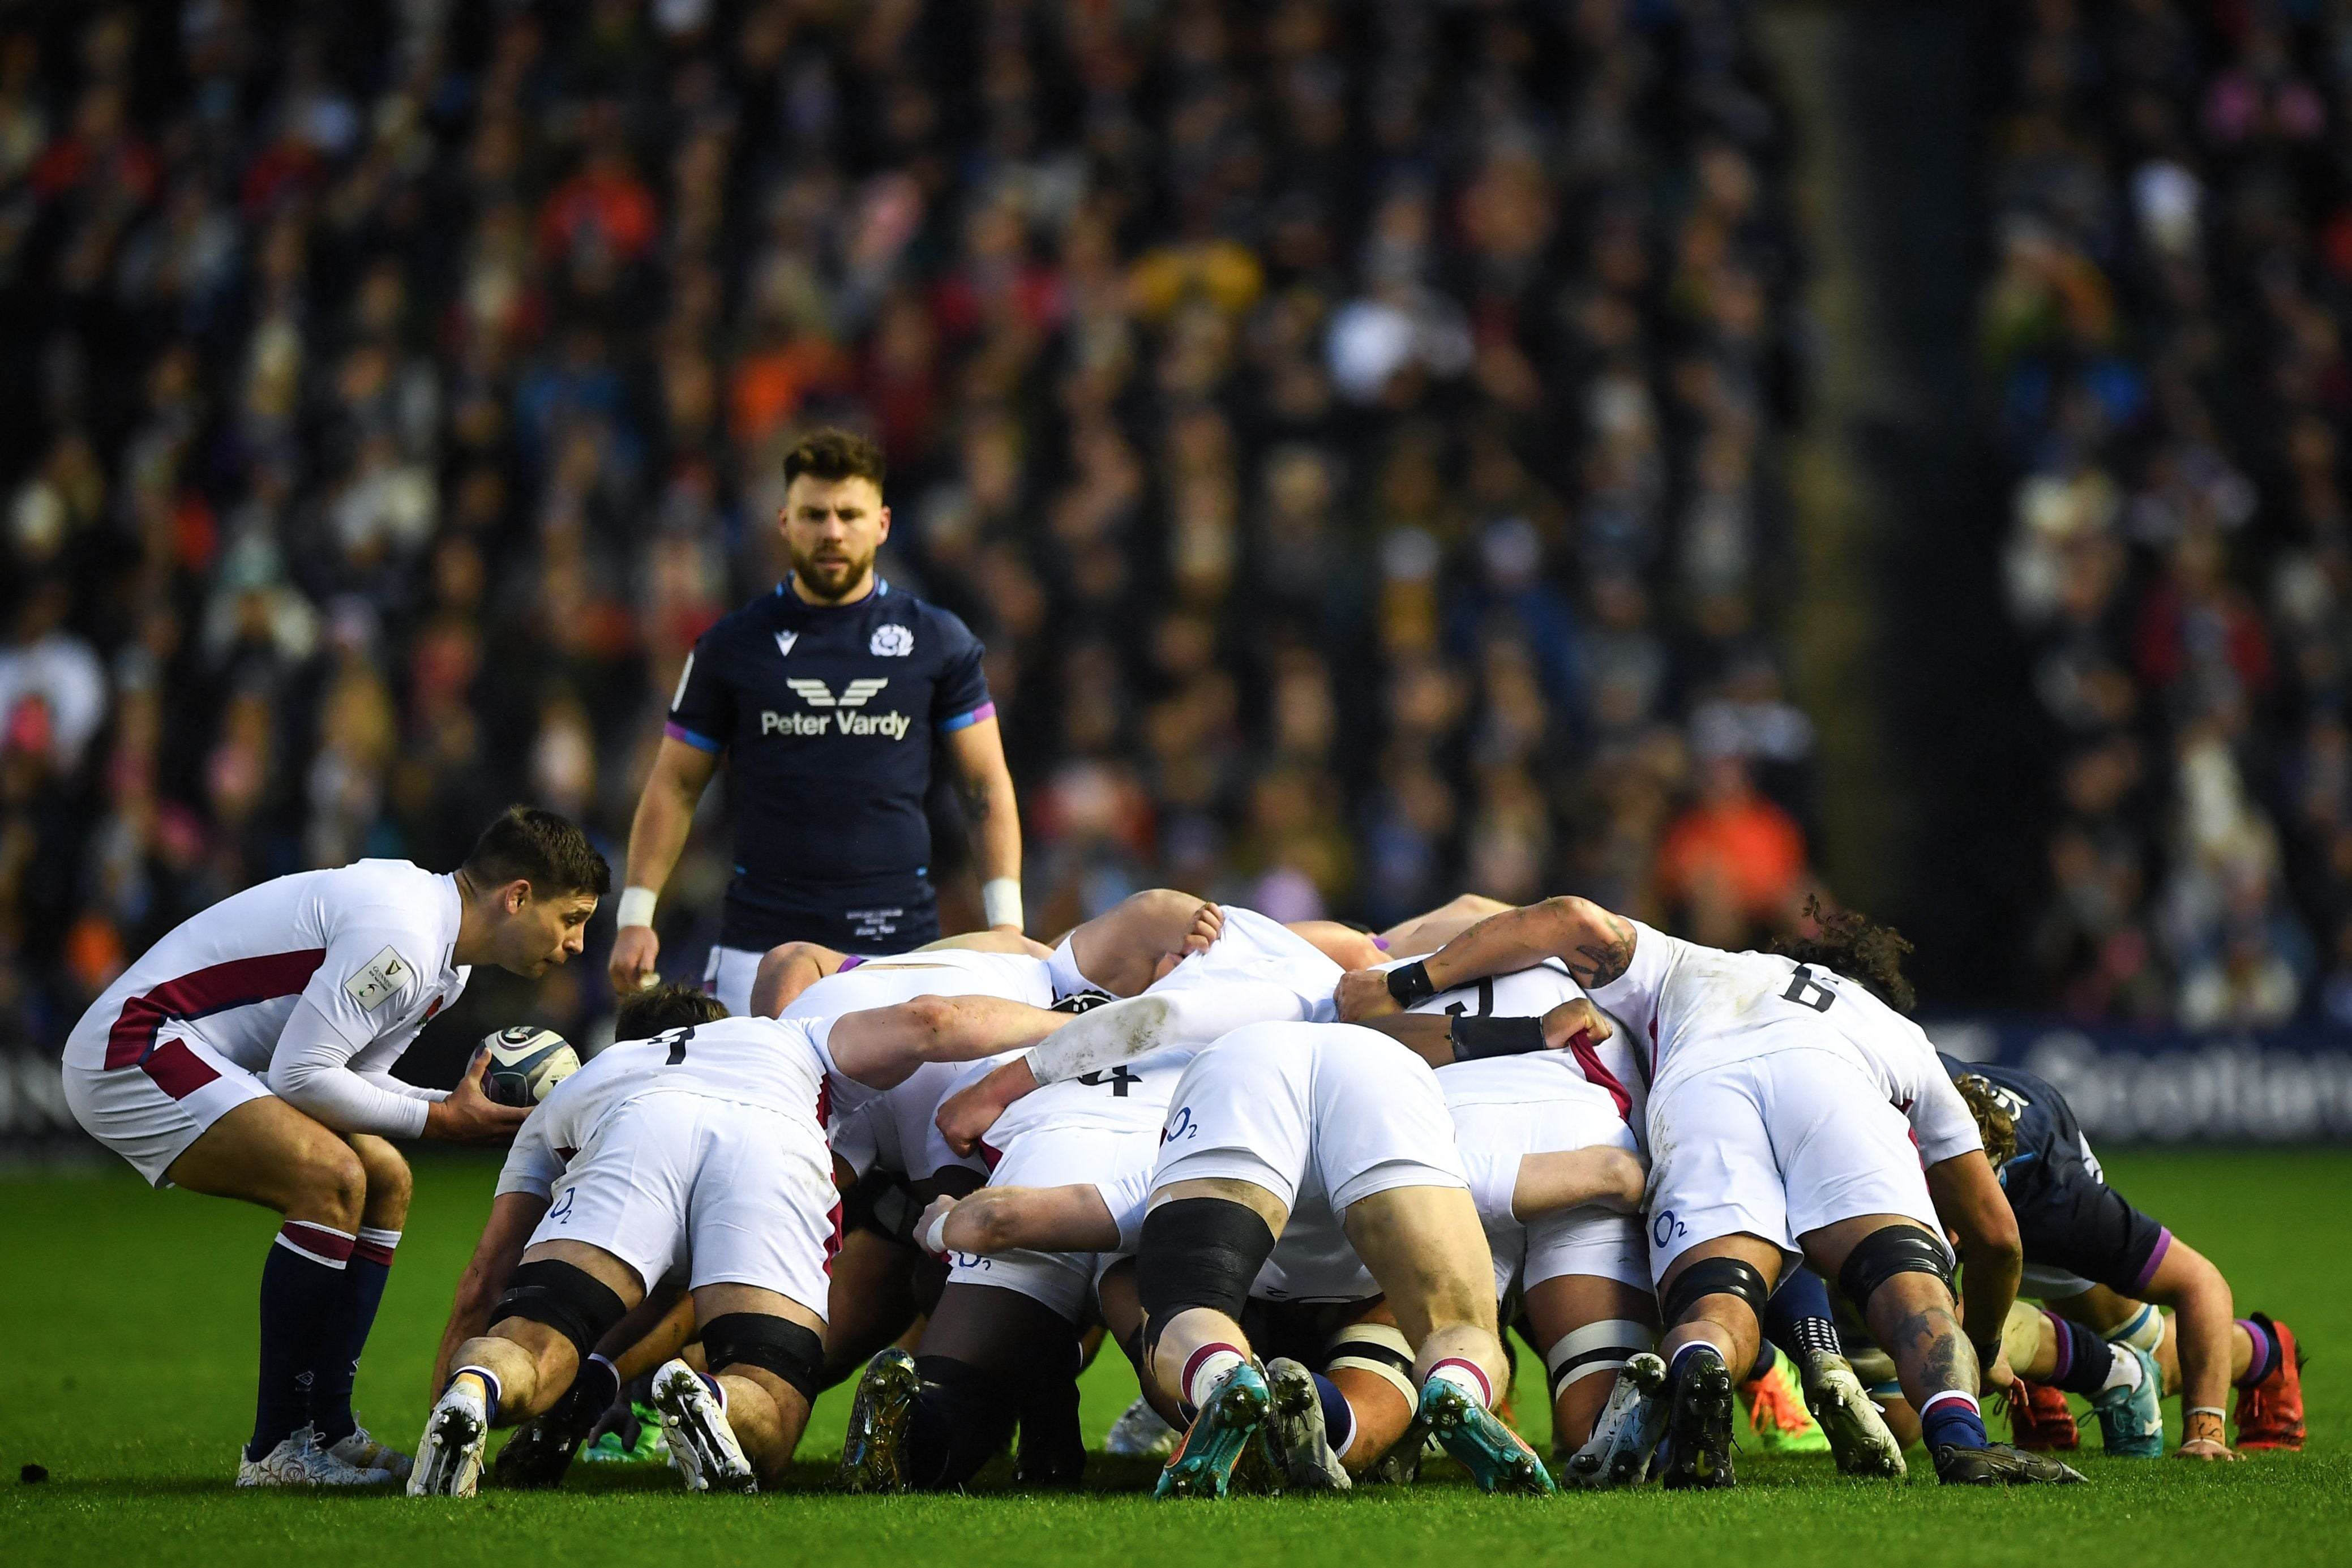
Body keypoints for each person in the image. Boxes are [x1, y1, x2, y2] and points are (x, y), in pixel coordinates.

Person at [1338, 896, 2082, 1488]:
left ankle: (1703, 1365)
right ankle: (1961, 1441)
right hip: (1834, 1082)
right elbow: (1996, 1236)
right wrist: (1982, 1345)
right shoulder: (1896, 1032)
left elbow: (1565, 918)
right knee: (1902, 1274)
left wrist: (1403, 981)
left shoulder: (1687, 960)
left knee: (1716, 1300)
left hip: (1700, 1084)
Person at [59, 806, 608, 1486]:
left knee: (386, 1180)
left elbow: (353, 1076)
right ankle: (274, 1449)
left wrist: (452, 1111)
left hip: (197, 1047)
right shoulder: (405, 936)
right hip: (136, 1042)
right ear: (518, 896)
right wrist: (442, 1120)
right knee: (333, 1178)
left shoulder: (444, 961)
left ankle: (329, 1428)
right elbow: (302, 1075)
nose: (579, 943)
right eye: (573, 917)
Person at [410, 979, 1118, 1496]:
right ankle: (713, 1400)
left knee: (536, 1341)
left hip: (630, 1129)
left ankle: (478, 1390)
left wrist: (449, 1385)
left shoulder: (587, 1078)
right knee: (774, 1404)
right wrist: (1067, 1025)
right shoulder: (786, 1032)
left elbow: (484, 1275)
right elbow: (931, 1019)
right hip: (771, 1135)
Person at [608, 429, 1023, 1013]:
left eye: (849, 514)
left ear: (881, 523)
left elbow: (983, 785)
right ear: (784, 522)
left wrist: (1007, 923)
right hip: (759, 946)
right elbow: (676, 783)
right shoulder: (730, 647)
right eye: (814, 514)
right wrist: (636, 915)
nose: (832, 531)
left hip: (901, 950)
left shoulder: (938, 640)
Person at [1940, 1056, 2303, 1458]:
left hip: (2036, 1201)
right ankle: (2036, 1377)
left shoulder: (2065, 1203)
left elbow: (2199, 1282)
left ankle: (2265, 1352)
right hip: (1998, 1177)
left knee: (2146, 1352)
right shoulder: (1898, 1107)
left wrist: (2205, 1430)